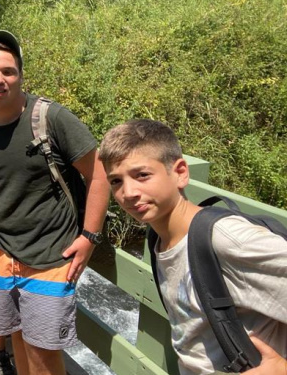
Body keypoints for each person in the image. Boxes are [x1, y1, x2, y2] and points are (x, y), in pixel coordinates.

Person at [0, 31, 110, 375]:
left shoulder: (51, 118)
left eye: (8, 71)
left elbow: (100, 174)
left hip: (51, 256)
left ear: (20, 76)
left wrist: (89, 237)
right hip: (0, 253)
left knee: (44, 353)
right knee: (15, 334)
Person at [98, 119, 287, 375]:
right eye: (116, 181)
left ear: (180, 173)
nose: (128, 192)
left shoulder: (227, 240)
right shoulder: (159, 237)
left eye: (142, 175)